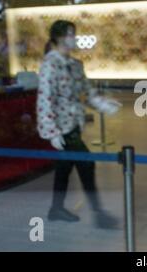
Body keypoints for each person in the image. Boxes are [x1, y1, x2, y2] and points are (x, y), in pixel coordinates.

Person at [37, 20, 122, 228]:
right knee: (86, 164)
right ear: (58, 37)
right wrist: (51, 132)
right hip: (62, 128)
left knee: (63, 169)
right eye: (69, 34)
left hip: (75, 124)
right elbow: (44, 99)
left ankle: (56, 209)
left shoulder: (75, 65)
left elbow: (88, 92)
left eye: (73, 34)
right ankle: (99, 214)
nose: (73, 38)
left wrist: (104, 104)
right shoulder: (50, 65)